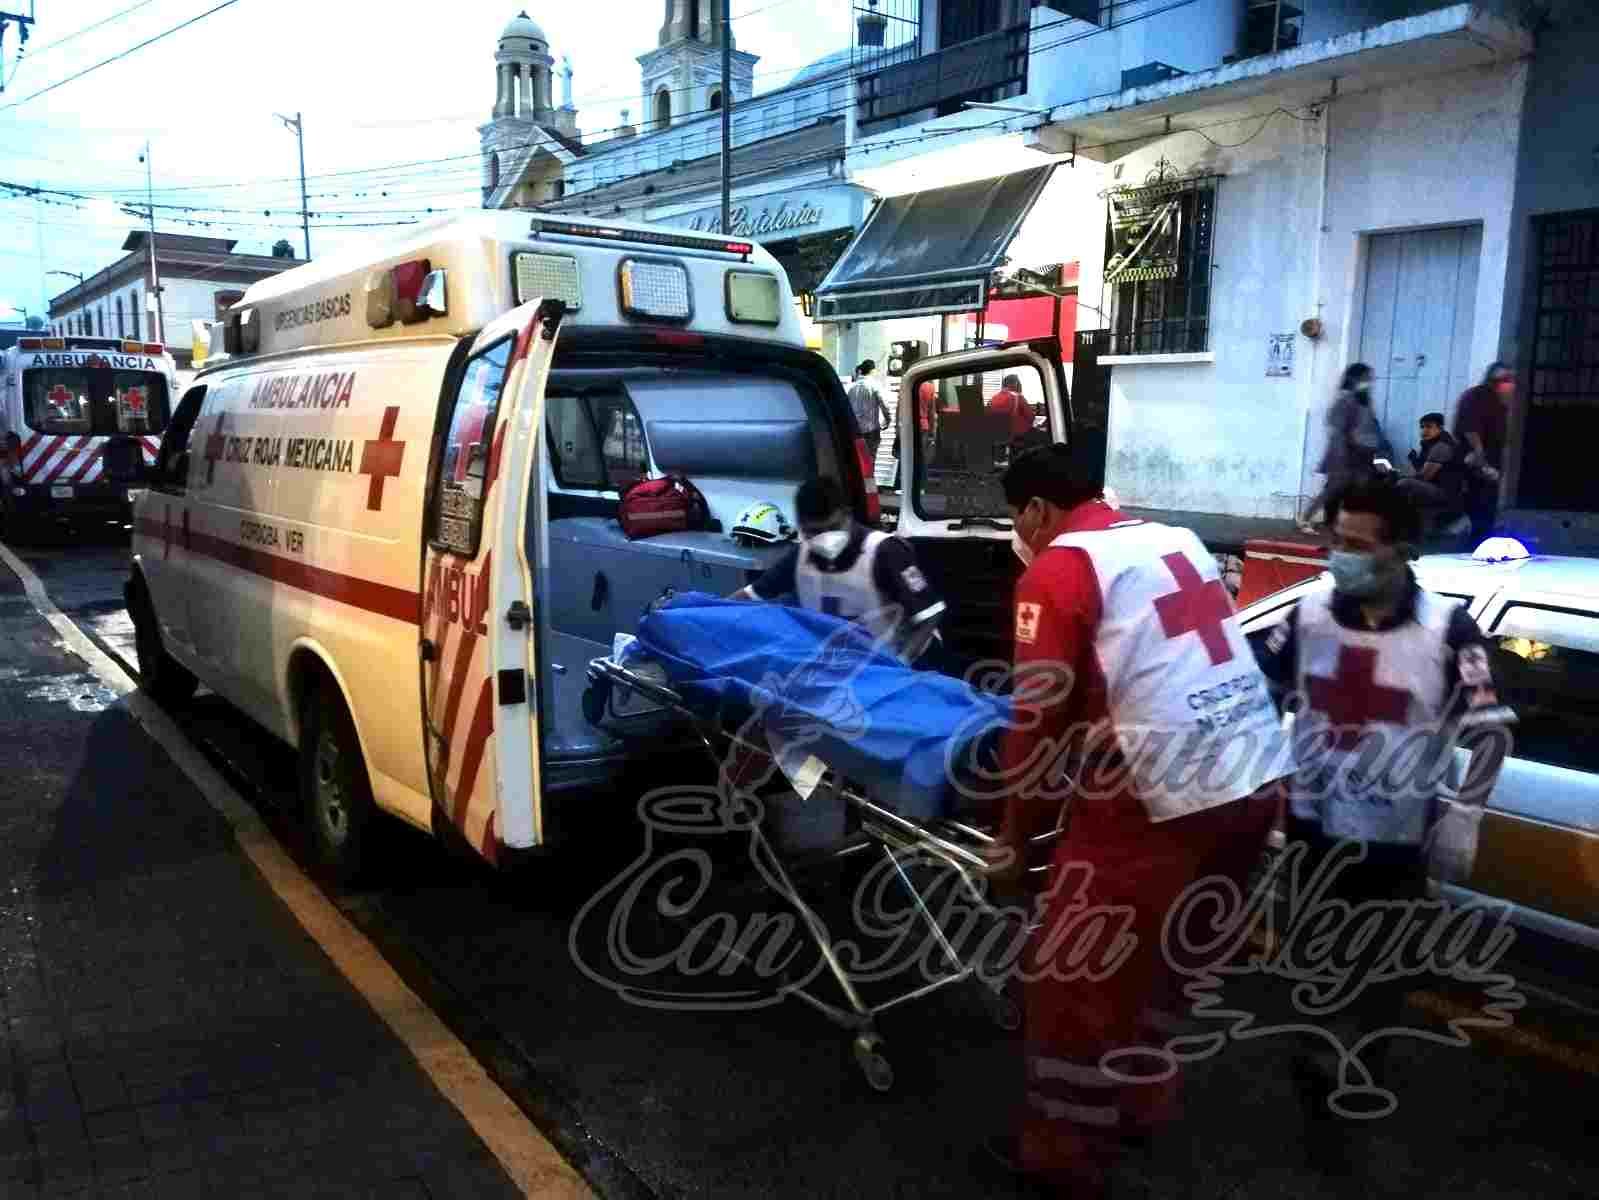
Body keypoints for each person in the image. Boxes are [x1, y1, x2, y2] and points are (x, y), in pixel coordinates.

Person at [984, 443, 1290, 1195]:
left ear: (1034, 510)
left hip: (1154, 799)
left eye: (1015, 519)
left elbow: (1036, 720)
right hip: (1252, 777)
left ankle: (1062, 1157)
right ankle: (1139, 1105)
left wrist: (1016, 840)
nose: (1018, 535)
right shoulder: (1173, 540)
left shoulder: (1058, 568)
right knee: (1165, 966)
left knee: (1073, 981)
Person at [1252, 480, 1513, 1147]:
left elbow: (1491, 730)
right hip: (1313, 828)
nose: (1341, 556)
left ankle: (1362, 1078)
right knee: (1308, 965)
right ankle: (1310, 1075)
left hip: (1396, 841)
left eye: (1359, 546)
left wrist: (1465, 815)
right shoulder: (1307, 613)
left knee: (1381, 975)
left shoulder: (1448, 631)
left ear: (1402, 550)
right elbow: (1256, 691)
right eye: (1336, 541)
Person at [730, 476, 945, 664]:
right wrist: (710, 611)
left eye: (833, 527)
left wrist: (901, 663)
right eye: (814, 532)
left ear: (847, 516)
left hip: (904, 661)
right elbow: (750, 595)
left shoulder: (886, 552)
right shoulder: (799, 558)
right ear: (801, 527)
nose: (825, 537)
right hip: (843, 664)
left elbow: (930, 614)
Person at [1299, 363, 1384, 535]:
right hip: (1345, 453)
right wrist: (1342, 454)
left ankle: (1352, 526)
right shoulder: (1345, 399)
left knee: (1359, 489)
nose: (1369, 382)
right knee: (1333, 489)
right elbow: (1337, 428)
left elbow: (1368, 428)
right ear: (1354, 378)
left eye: (1370, 378)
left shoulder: (1365, 401)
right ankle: (1305, 518)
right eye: (1366, 378)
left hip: (1362, 455)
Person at [1453, 361, 1513, 541]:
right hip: (1476, 462)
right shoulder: (1477, 396)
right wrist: (1482, 461)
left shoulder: (1500, 402)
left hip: (1489, 461)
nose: (1510, 384)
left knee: (1487, 507)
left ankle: (1480, 535)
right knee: (1479, 504)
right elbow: (1470, 428)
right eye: (1506, 380)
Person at [1394, 411, 1466, 535]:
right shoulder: (1430, 445)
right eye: (1422, 427)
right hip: (1438, 488)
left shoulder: (1441, 446)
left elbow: (1424, 476)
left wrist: (1401, 476)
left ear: (1440, 428)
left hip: (1447, 493)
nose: (1424, 431)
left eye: (1428, 427)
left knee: (1404, 483)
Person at [846, 360, 891, 464]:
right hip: (871, 430)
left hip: (854, 430)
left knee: (857, 460)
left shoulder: (851, 387)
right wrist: (888, 419)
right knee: (870, 459)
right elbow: (884, 404)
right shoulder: (874, 385)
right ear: (872, 370)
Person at [986, 373, 1037, 438]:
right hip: (1016, 436)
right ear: (1015, 383)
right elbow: (1031, 418)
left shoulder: (993, 398)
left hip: (997, 435)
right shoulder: (1018, 397)